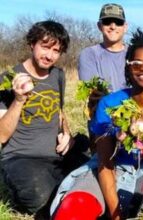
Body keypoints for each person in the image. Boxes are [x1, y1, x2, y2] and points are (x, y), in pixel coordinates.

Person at [50, 29, 143, 220]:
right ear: (128, 69)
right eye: (136, 64)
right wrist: (116, 215)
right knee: (73, 209)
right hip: (110, 170)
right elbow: (105, 162)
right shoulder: (110, 103)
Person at [0, 20, 74, 216]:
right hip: (21, 158)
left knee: (92, 173)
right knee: (44, 200)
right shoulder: (8, 79)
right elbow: (1, 136)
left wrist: (66, 133)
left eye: (56, 50)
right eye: (45, 47)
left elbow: (60, 111)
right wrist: (18, 100)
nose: (49, 55)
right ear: (32, 43)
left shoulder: (58, 75)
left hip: (56, 157)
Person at [78, 3, 128, 92]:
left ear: (125, 27)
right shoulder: (89, 55)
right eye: (107, 22)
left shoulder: (135, 54)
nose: (113, 26)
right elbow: (92, 93)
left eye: (118, 22)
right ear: (99, 26)